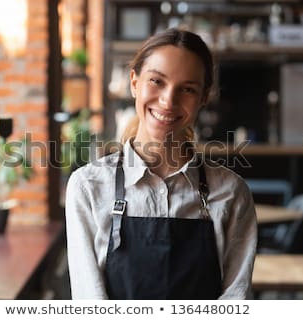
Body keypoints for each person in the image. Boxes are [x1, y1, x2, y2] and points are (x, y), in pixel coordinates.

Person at [65, 28, 257, 299]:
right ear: (134, 82)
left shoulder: (232, 193)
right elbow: (90, 302)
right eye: (157, 81)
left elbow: (235, 302)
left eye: (188, 89)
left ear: (203, 98)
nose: (168, 100)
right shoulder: (88, 187)